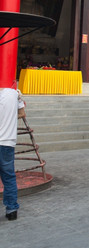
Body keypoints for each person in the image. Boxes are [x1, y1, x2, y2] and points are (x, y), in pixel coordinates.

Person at [0, 88, 26, 221]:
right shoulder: (15, 93)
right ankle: (12, 210)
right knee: (9, 177)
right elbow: (22, 113)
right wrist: (9, 117)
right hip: (7, 142)